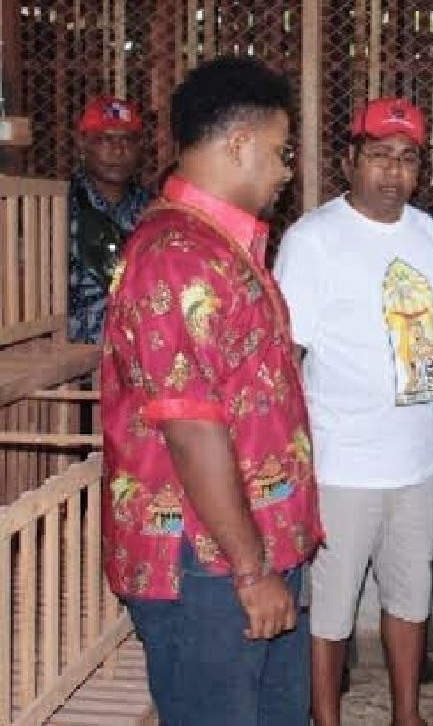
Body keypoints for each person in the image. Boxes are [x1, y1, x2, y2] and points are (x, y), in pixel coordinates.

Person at [99, 56, 323, 726]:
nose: (286, 172)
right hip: (208, 566)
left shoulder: (223, 250)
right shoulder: (176, 257)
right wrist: (251, 572)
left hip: (255, 548)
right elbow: (193, 430)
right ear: (238, 146)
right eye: (280, 153)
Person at [274, 96, 433, 726]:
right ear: (348, 160)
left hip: (417, 461)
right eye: (379, 156)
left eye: (407, 158)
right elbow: (286, 358)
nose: (393, 172)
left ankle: (406, 715)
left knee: (410, 598)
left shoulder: (429, 236)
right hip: (339, 464)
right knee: (331, 609)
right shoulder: (313, 240)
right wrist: (289, 457)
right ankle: (327, 720)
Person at [69, 95, 153, 343]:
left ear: (141, 147)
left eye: (128, 140)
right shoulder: (60, 207)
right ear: (83, 143)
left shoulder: (154, 211)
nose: (118, 150)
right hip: (77, 354)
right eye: (106, 139)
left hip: (141, 348)